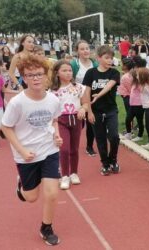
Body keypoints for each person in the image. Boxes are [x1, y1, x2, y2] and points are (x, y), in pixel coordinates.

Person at [1, 55, 63, 246]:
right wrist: (21, 149)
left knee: (52, 193)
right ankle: (22, 186)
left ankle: (46, 227)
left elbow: (54, 119)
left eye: (39, 74)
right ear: (24, 78)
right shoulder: (17, 103)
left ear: (46, 75)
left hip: (49, 150)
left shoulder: (53, 99)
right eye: (30, 75)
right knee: (31, 198)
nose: (35, 78)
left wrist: (56, 136)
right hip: (26, 154)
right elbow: (6, 127)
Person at [82, 45, 121, 176]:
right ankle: (105, 163)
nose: (110, 60)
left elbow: (110, 86)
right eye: (106, 58)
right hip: (96, 111)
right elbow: (86, 92)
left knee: (114, 136)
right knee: (100, 138)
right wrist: (89, 111)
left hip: (111, 110)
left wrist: (99, 94)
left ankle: (113, 159)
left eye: (111, 58)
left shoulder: (114, 72)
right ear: (99, 58)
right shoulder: (91, 73)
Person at [51, 60, 88, 190]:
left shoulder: (79, 87)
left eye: (70, 70)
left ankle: (74, 173)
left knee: (74, 149)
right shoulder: (52, 90)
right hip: (60, 120)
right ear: (57, 73)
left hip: (76, 120)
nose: (68, 73)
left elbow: (85, 103)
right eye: (64, 70)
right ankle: (65, 175)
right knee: (64, 149)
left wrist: (83, 109)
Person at [70, 40, 98, 156]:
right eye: (82, 49)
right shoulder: (74, 64)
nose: (86, 51)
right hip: (77, 96)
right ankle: (70, 142)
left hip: (92, 96)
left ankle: (89, 146)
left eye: (87, 48)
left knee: (92, 121)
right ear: (77, 51)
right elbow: (70, 79)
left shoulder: (94, 63)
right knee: (79, 123)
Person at [117, 58, 135, 135]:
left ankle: (130, 129)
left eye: (122, 64)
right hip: (126, 96)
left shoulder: (126, 77)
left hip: (128, 96)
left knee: (129, 113)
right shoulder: (127, 74)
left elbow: (130, 89)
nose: (121, 65)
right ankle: (131, 128)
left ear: (126, 66)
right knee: (130, 113)